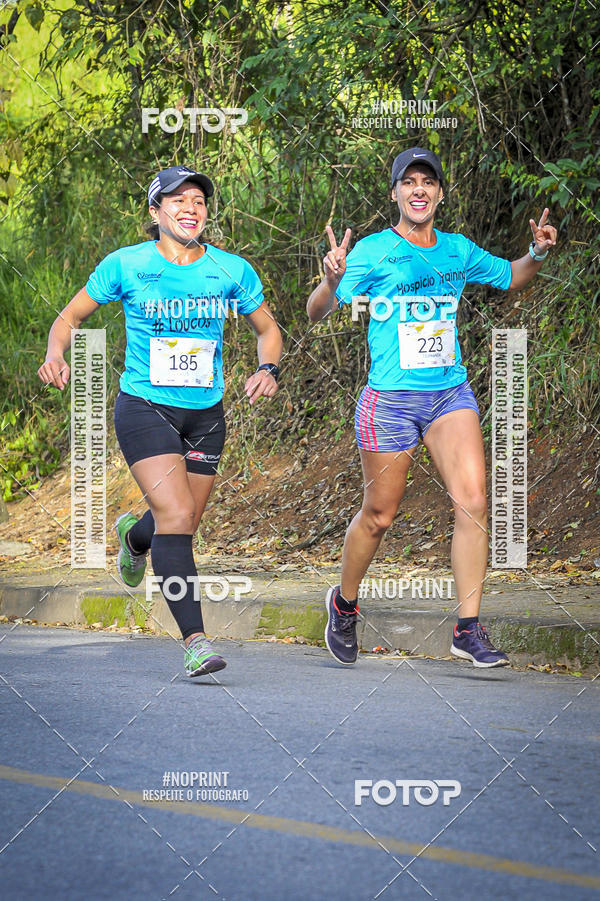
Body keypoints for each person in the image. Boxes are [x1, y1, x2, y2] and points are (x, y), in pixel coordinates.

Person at [307, 147, 556, 668]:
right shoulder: (372, 252)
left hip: (448, 394)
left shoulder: (457, 250)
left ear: (440, 194)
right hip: (389, 402)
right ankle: (344, 604)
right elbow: (316, 312)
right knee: (379, 515)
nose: (418, 190)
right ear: (395, 193)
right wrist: (331, 279)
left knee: (474, 501)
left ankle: (467, 628)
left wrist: (537, 252)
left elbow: (511, 276)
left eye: (428, 182)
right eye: (409, 182)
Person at [39, 165, 282, 677]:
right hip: (145, 408)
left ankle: (135, 537)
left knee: (180, 519)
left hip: (206, 414)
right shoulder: (126, 265)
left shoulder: (230, 269)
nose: (190, 207)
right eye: (177, 200)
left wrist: (268, 367)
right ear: (155, 213)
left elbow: (268, 329)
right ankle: (195, 642)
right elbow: (69, 317)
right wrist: (56, 353)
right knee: (177, 519)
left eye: (199, 200)